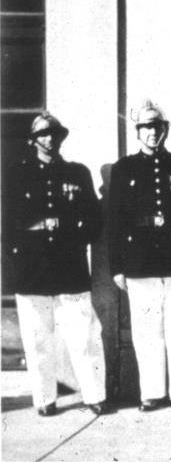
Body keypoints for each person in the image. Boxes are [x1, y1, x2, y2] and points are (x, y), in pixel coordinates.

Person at [4, 113, 108, 416]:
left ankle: (94, 395)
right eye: (43, 134)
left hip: (69, 268)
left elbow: (94, 220)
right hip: (32, 270)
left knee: (84, 337)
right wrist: (17, 256)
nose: (49, 139)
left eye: (54, 134)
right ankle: (45, 399)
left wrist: (73, 237)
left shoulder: (77, 173)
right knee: (38, 340)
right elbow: (7, 222)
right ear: (33, 140)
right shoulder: (17, 174)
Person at [108, 101, 171, 412]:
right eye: (146, 127)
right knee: (147, 332)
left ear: (165, 130)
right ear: (138, 132)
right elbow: (115, 221)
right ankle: (152, 392)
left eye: (157, 127)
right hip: (140, 262)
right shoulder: (124, 169)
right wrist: (117, 267)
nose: (152, 132)